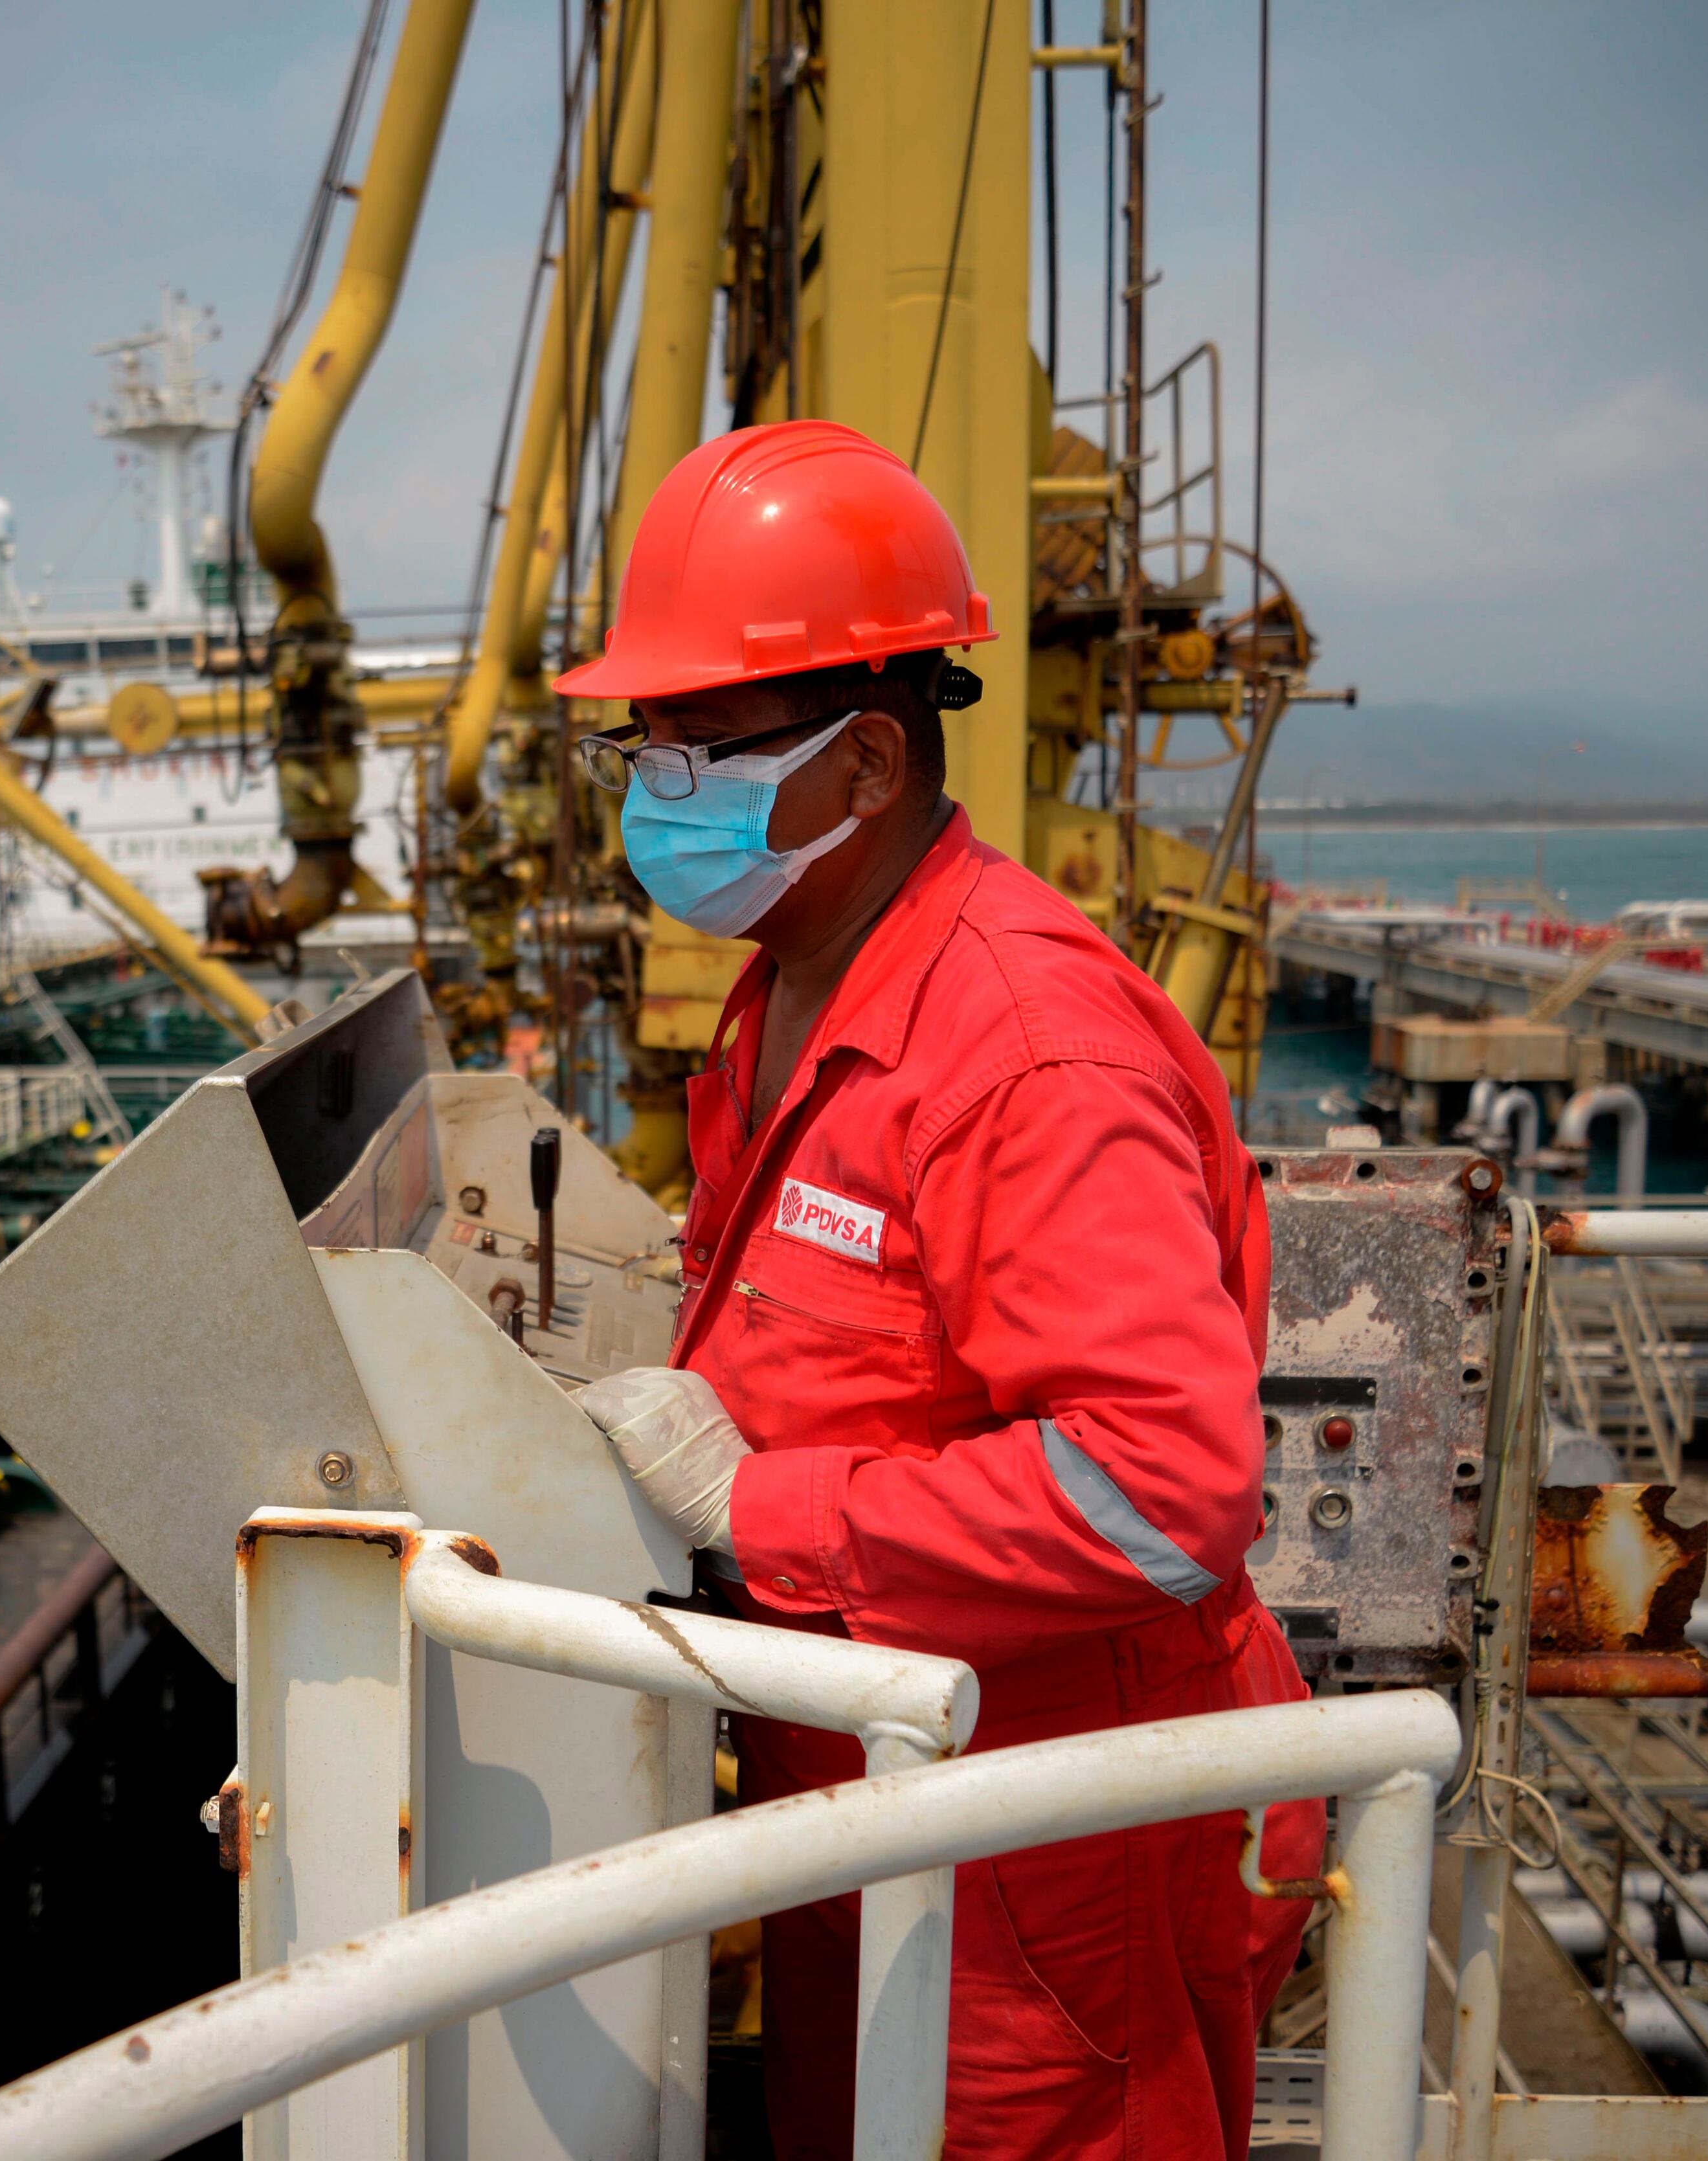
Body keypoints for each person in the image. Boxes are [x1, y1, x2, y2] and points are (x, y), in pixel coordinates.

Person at [563, 420, 1313, 2161]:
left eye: (700, 745)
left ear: (869, 762)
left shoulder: (1023, 1050)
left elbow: (1161, 1487)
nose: (656, 787)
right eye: (643, 742)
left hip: (1039, 1869)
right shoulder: (791, 990)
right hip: (878, 1805)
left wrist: (758, 1503)